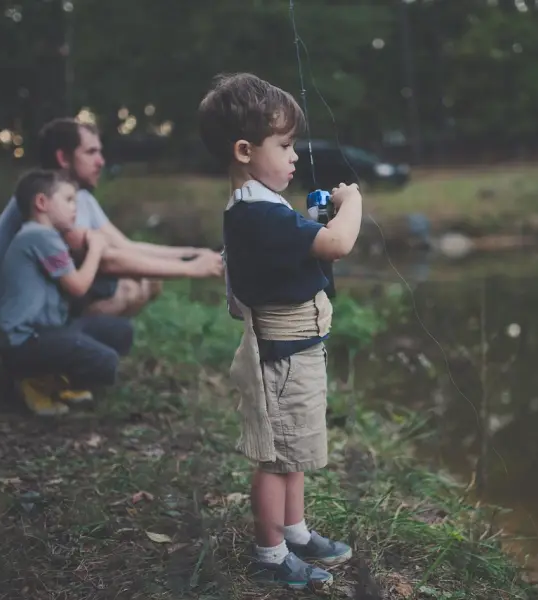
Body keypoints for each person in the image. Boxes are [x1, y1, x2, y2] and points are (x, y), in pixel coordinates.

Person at [197, 72, 363, 591]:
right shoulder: (256, 212)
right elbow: (336, 245)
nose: (294, 156)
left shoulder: (262, 205)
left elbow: (302, 253)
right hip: (284, 357)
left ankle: (295, 531)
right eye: (285, 145)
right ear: (245, 150)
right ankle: (270, 554)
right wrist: (352, 204)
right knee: (275, 459)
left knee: (294, 451)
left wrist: (315, 220)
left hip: (298, 350)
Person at [0, 117, 224, 412]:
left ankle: (56, 362)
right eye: (91, 152)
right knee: (129, 286)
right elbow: (108, 260)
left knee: (145, 282)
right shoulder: (52, 202)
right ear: (63, 158)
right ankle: (36, 369)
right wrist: (193, 269)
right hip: (2, 311)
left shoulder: (75, 197)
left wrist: (194, 253)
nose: (101, 161)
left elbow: (126, 246)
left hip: (36, 306)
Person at [0, 169, 134, 417]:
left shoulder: (45, 237)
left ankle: (56, 377)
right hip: (23, 342)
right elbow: (78, 286)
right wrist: (96, 248)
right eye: (68, 200)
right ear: (41, 203)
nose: (75, 208)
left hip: (46, 332)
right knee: (106, 361)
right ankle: (37, 382)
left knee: (121, 331)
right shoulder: (39, 236)